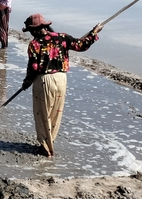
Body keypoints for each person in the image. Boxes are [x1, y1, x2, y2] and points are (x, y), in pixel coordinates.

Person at [21, 13, 103, 157]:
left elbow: (33, 68)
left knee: (42, 114)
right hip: (61, 79)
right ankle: (51, 141)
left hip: (44, 80)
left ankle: (45, 147)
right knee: (55, 113)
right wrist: (93, 32)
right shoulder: (62, 37)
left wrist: (26, 83)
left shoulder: (34, 44)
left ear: (33, 30)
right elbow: (81, 45)